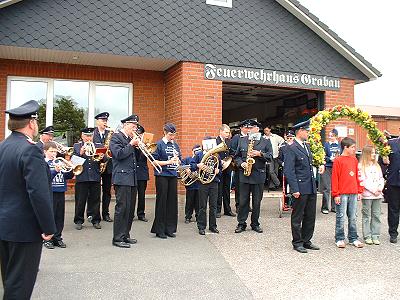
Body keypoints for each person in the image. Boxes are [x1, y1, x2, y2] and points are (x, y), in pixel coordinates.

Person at [0, 100, 56, 299]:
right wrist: (49, 227)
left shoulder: (3, 146)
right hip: (24, 230)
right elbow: (38, 194)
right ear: (31, 123)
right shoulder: (30, 149)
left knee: (10, 281)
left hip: (5, 226)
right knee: (19, 288)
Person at [284, 120, 323, 253]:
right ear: (300, 131)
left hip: (310, 186)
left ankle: (306, 240)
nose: (308, 133)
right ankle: (297, 242)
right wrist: (294, 189)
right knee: (298, 216)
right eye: (306, 131)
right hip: (300, 187)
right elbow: (289, 171)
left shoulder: (306, 146)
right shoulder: (291, 147)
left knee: (310, 215)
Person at [234, 120, 272, 234]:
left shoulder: (265, 142)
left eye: (251, 128)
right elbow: (237, 157)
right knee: (243, 201)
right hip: (244, 175)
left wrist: (260, 154)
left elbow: (270, 156)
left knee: (257, 202)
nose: (249, 130)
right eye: (247, 128)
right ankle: (241, 223)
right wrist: (241, 163)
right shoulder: (242, 140)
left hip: (258, 175)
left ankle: (255, 223)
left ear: (257, 129)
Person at [109, 115, 140, 248]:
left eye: (136, 127)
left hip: (132, 178)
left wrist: (138, 147)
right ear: (125, 125)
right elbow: (119, 154)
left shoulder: (129, 139)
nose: (135, 129)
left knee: (130, 209)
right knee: (122, 208)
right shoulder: (116, 137)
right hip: (122, 178)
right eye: (133, 127)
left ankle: (125, 235)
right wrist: (131, 145)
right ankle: (117, 238)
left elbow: (135, 159)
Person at [331, 137, 364, 248]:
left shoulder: (354, 160)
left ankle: (353, 238)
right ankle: (339, 238)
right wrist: (336, 193)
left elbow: (357, 176)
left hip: (353, 192)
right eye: (352, 147)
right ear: (345, 147)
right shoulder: (338, 160)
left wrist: (359, 190)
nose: (354, 149)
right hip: (342, 193)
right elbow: (335, 178)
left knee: (353, 216)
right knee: (340, 216)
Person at [151, 123, 181, 239]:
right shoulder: (158, 144)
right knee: (162, 202)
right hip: (162, 175)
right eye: (170, 134)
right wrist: (168, 162)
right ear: (164, 132)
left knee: (172, 202)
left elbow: (180, 159)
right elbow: (154, 162)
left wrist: (178, 161)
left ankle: (169, 228)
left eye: (173, 135)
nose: (172, 137)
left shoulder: (175, 146)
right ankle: (160, 230)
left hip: (173, 175)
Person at [43, 142, 74, 249]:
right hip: (49, 192)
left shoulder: (60, 161)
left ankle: (57, 237)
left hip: (60, 191)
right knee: (49, 216)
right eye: (51, 151)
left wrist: (71, 167)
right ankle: (48, 238)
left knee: (59, 216)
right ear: (45, 152)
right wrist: (55, 171)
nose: (53, 153)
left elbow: (68, 176)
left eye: (55, 151)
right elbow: (45, 179)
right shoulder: (43, 163)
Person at [73, 127, 104, 230]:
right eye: (86, 136)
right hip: (82, 176)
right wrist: (80, 153)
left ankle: (95, 220)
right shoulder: (77, 146)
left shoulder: (98, 145)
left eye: (90, 136)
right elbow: (74, 162)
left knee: (95, 200)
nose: (88, 138)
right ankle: (78, 220)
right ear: (82, 136)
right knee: (80, 200)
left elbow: (105, 159)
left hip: (95, 176)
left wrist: (102, 156)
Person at [191, 138, 222, 235]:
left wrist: (218, 171)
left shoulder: (216, 155)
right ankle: (201, 227)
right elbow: (191, 165)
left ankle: (213, 226)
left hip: (214, 183)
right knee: (202, 206)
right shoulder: (199, 155)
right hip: (203, 183)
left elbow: (220, 169)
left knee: (213, 206)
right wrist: (198, 165)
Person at [359, 145, 384, 245]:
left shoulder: (377, 165)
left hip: (378, 195)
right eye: (372, 153)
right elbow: (363, 180)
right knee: (366, 215)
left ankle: (375, 235)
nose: (374, 154)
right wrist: (373, 190)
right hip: (368, 194)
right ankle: (367, 235)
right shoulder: (361, 166)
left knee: (376, 215)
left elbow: (381, 178)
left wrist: (379, 188)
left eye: (374, 152)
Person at [93, 112, 113, 222]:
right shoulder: (92, 134)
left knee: (107, 191)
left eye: (106, 120)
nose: (105, 122)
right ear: (97, 121)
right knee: (94, 192)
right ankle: (93, 213)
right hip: (95, 165)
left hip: (108, 165)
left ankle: (106, 213)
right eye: (103, 120)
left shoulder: (110, 133)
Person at [382, 130, 400, 243]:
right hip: (393, 181)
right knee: (393, 209)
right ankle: (393, 233)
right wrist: (384, 158)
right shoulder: (391, 143)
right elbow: (384, 161)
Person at [230, 121, 251, 212]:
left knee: (248, 186)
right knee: (239, 186)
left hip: (249, 164)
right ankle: (238, 205)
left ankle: (247, 205)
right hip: (239, 166)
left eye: (249, 128)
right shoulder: (236, 137)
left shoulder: (251, 137)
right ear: (241, 128)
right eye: (246, 128)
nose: (248, 129)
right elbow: (233, 151)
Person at [216, 124, 236, 218]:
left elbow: (232, 152)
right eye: (226, 132)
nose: (228, 134)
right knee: (219, 189)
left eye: (228, 132)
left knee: (227, 189)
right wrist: (220, 161)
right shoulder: (216, 141)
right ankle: (218, 210)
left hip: (227, 167)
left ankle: (227, 209)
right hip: (219, 167)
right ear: (221, 131)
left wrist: (230, 158)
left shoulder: (229, 141)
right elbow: (213, 153)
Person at [320, 129, 341, 214]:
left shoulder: (340, 145)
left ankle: (334, 207)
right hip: (327, 167)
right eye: (329, 136)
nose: (330, 137)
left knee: (335, 187)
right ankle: (324, 207)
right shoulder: (326, 144)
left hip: (336, 168)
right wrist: (330, 159)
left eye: (332, 136)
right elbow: (322, 156)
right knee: (326, 187)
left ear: (336, 136)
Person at [182, 145, 201, 223]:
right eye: (196, 150)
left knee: (198, 202)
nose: (198, 152)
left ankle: (198, 216)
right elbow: (181, 164)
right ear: (192, 151)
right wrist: (186, 168)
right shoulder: (187, 159)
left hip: (199, 184)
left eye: (199, 150)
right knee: (189, 201)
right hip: (191, 184)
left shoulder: (202, 159)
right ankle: (188, 216)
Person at [135, 124, 149, 222]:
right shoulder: (132, 144)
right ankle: (130, 214)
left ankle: (141, 214)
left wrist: (146, 148)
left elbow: (149, 157)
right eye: (138, 134)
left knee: (141, 195)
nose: (139, 136)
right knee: (131, 195)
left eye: (141, 134)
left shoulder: (145, 145)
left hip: (142, 173)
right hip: (133, 172)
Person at [263, 125, 284, 190]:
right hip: (269, 156)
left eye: (267, 130)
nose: (266, 132)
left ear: (270, 130)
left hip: (276, 155)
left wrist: (279, 147)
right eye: (264, 131)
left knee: (275, 171)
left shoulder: (275, 136)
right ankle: (278, 183)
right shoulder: (263, 138)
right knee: (271, 171)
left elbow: (282, 141)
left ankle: (272, 186)